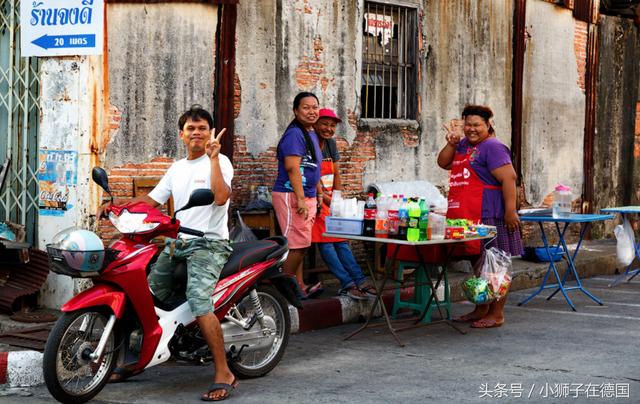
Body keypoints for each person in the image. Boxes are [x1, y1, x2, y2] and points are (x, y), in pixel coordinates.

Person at [99, 105, 237, 401]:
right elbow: (151, 200)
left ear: (210, 133)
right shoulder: (177, 168)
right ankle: (140, 359)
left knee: (200, 302)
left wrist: (213, 158)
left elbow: (222, 196)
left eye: (202, 128)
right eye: (191, 128)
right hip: (178, 243)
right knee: (145, 295)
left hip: (209, 245)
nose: (197, 133)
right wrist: (118, 208)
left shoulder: (220, 161)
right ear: (182, 134)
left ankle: (223, 371)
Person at [437, 104, 523, 329]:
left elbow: (509, 179)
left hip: (492, 214)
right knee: (479, 264)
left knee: (497, 266)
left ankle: (497, 313)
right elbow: (443, 162)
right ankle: (481, 308)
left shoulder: (493, 147)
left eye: (477, 125)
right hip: (470, 215)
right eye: (468, 124)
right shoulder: (463, 144)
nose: (471, 129)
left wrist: (510, 212)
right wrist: (452, 142)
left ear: (488, 125)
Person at [310, 108, 374, 300]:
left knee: (341, 240)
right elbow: (311, 177)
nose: (328, 129)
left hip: (331, 199)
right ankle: (347, 283)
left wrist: (338, 198)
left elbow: (336, 173)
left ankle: (359, 279)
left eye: (332, 126)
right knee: (327, 243)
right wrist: (329, 200)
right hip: (315, 199)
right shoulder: (309, 143)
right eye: (324, 124)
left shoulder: (330, 144)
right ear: (315, 124)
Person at [273, 92, 324, 299]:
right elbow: (293, 168)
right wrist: (301, 199)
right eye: (306, 107)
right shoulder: (294, 134)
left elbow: (314, 167)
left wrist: (318, 193)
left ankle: (298, 285)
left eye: (315, 107)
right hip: (291, 195)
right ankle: (282, 291)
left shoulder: (309, 132)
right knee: (296, 245)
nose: (312, 111)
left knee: (301, 245)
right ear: (295, 110)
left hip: (307, 195)